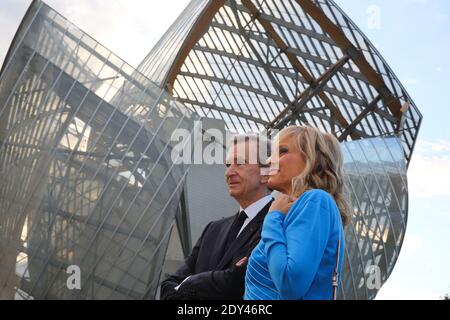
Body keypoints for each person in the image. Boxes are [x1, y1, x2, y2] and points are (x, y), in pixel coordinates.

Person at [160, 134, 273, 300]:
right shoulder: (213, 229)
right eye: (228, 165)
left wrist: (189, 282)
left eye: (240, 163)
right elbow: (169, 285)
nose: (229, 172)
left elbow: (235, 283)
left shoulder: (277, 223)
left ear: (265, 172)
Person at [243, 126, 351, 300]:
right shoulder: (296, 211)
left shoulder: (316, 200)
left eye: (283, 151)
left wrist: (272, 219)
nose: (270, 160)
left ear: (312, 160)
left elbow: (290, 283)